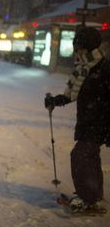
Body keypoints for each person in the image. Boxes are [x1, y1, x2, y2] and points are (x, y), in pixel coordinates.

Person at [44, 27, 110, 212]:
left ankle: (89, 199)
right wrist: (55, 100)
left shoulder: (104, 68)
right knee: (91, 158)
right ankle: (94, 197)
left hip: (99, 122)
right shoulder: (84, 69)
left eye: (80, 47)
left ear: (89, 47)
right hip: (87, 121)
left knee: (80, 156)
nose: (78, 52)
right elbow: (73, 94)